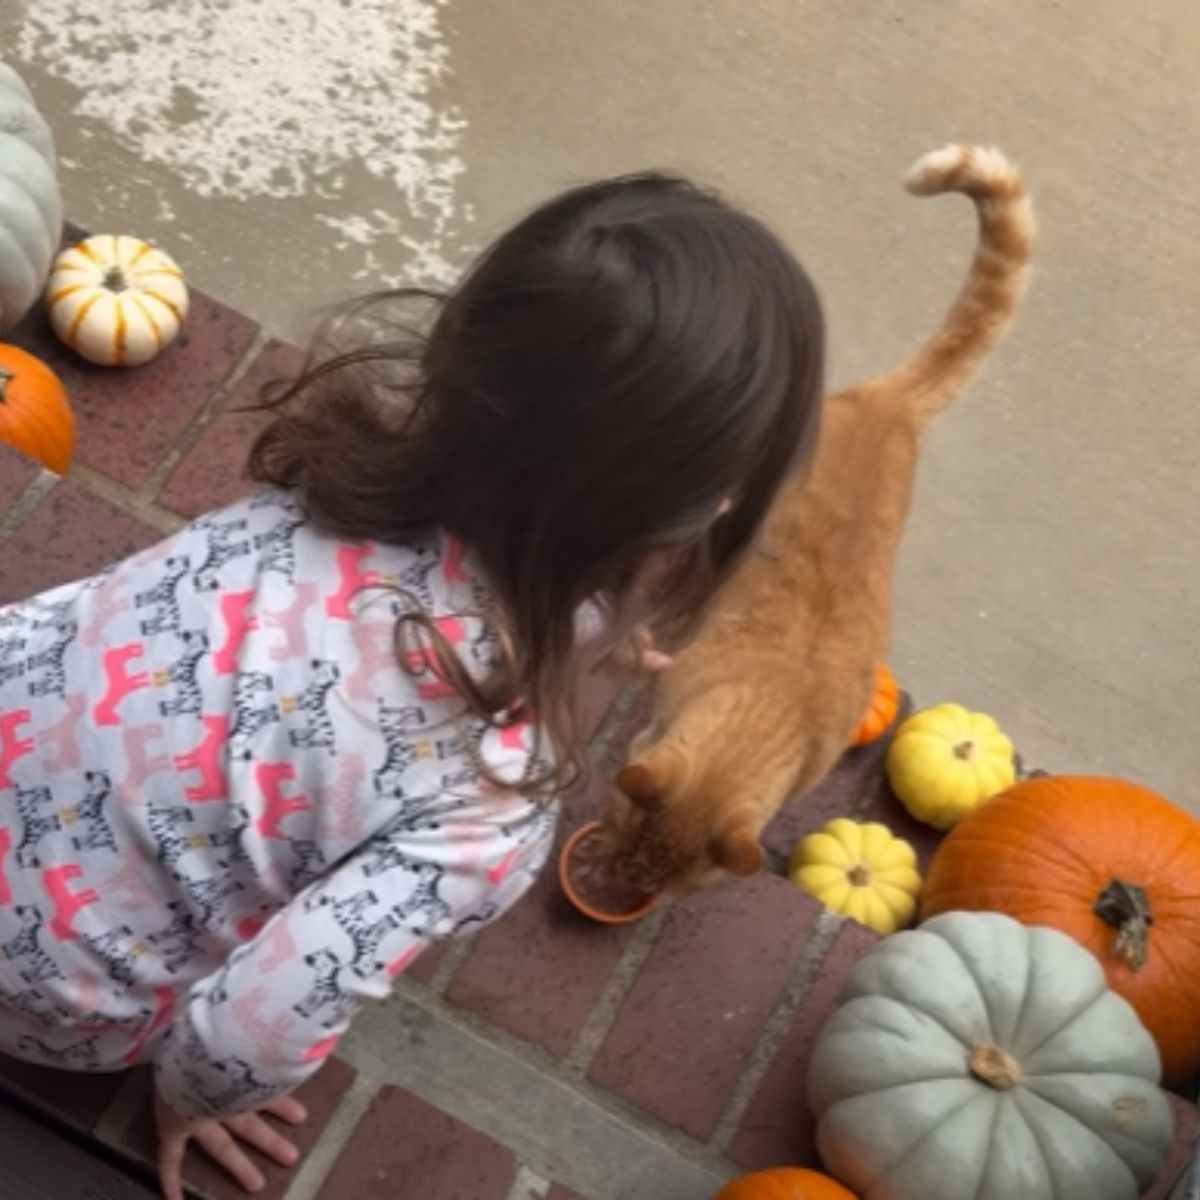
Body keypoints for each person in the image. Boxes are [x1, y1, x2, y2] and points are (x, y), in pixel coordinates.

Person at [0, 171, 824, 1199]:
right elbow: (254, 1024)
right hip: (41, 991)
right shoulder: (487, 798)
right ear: (689, 535)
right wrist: (199, 1095)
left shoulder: (322, 500)